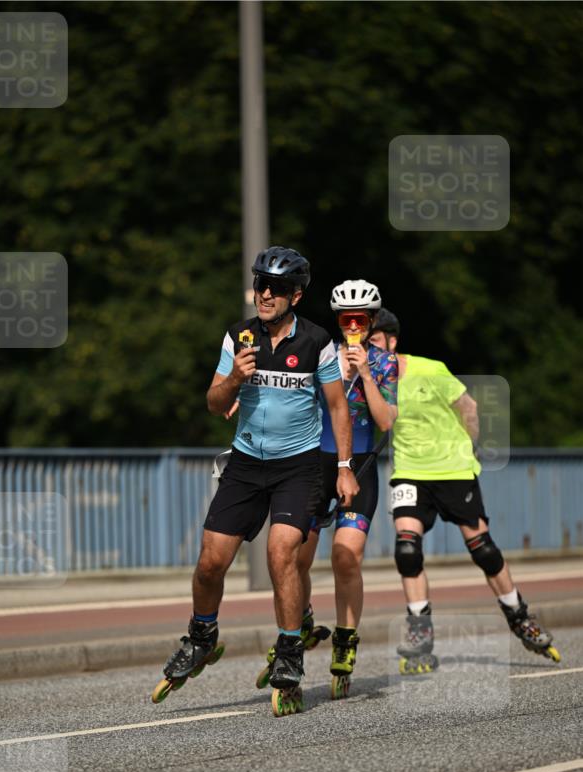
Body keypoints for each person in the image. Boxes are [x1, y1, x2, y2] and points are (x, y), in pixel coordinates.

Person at [151, 246, 359, 715]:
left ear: (296, 295)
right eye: (260, 283)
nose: (265, 293)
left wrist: (344, 468)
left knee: (280, 553)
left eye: (276, 287)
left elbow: (337, 406)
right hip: (246, 465)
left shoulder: (316, 341)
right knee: (209, 563)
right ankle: (202, 635)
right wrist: (233, 381)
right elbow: (212, 399)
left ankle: (289, 655)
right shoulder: (239, 335)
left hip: (298, 466)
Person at [366, 308, 560, 671]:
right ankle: (419, 629)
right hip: (410, 471)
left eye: (374, 341)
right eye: (365, 343)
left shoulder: (431, 369)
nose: (369, 349)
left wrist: (470, 444)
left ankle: (519, 616)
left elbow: (468, 408)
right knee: (407, 549)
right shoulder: (370, 378)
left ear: (392, 341)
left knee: (483, 549)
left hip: (453, 469)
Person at [259, 280, 398, 700]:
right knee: (296, 555)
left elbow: (386, 421)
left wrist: (366, 375)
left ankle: (345, 639)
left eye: (360, 320)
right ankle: (300, 621)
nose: (353, 326)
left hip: (360, 464)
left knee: (346, 555)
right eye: (345, 320)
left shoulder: (383, 362)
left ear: (371, 321)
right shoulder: (321, 353)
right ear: (338, 321)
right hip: (314, 464)